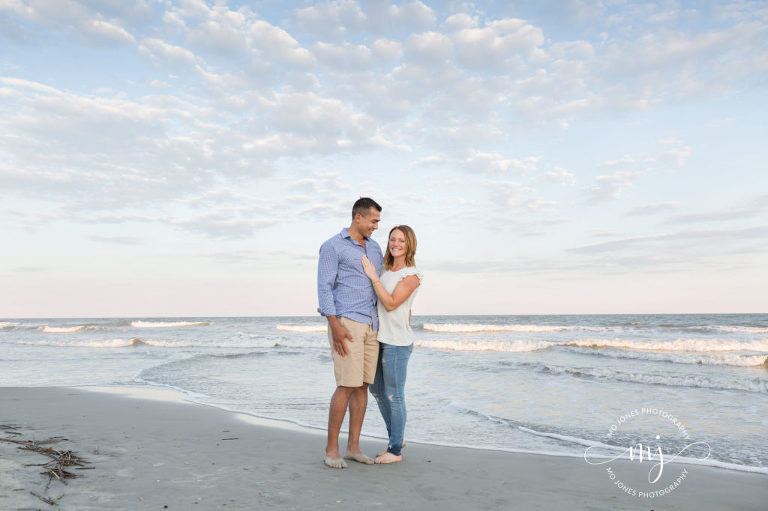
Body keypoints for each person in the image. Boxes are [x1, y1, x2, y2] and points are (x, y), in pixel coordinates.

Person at [317, 197, 384, 469]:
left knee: (362, 385)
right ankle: (331, 450)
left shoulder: (376, 248)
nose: (376, 226)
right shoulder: (333, 246)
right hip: (347, 322)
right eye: (373, 220)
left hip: (372, 324)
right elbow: (324, 287)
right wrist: (335, 326)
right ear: (358, 217)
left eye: (378, 221)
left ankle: (353, 447)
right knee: (346, 384)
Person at [361, 225, 422, 464]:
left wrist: (372, 277)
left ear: (409, 245)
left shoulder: (412, 276)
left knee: (394, 395)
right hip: (379, 338)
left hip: (397, 343)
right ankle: (397, 437)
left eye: (401, 241)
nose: (395, 244)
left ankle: (395, 450)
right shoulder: (386, 271)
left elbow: (390, 303)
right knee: (376, 390)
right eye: (392, 239)